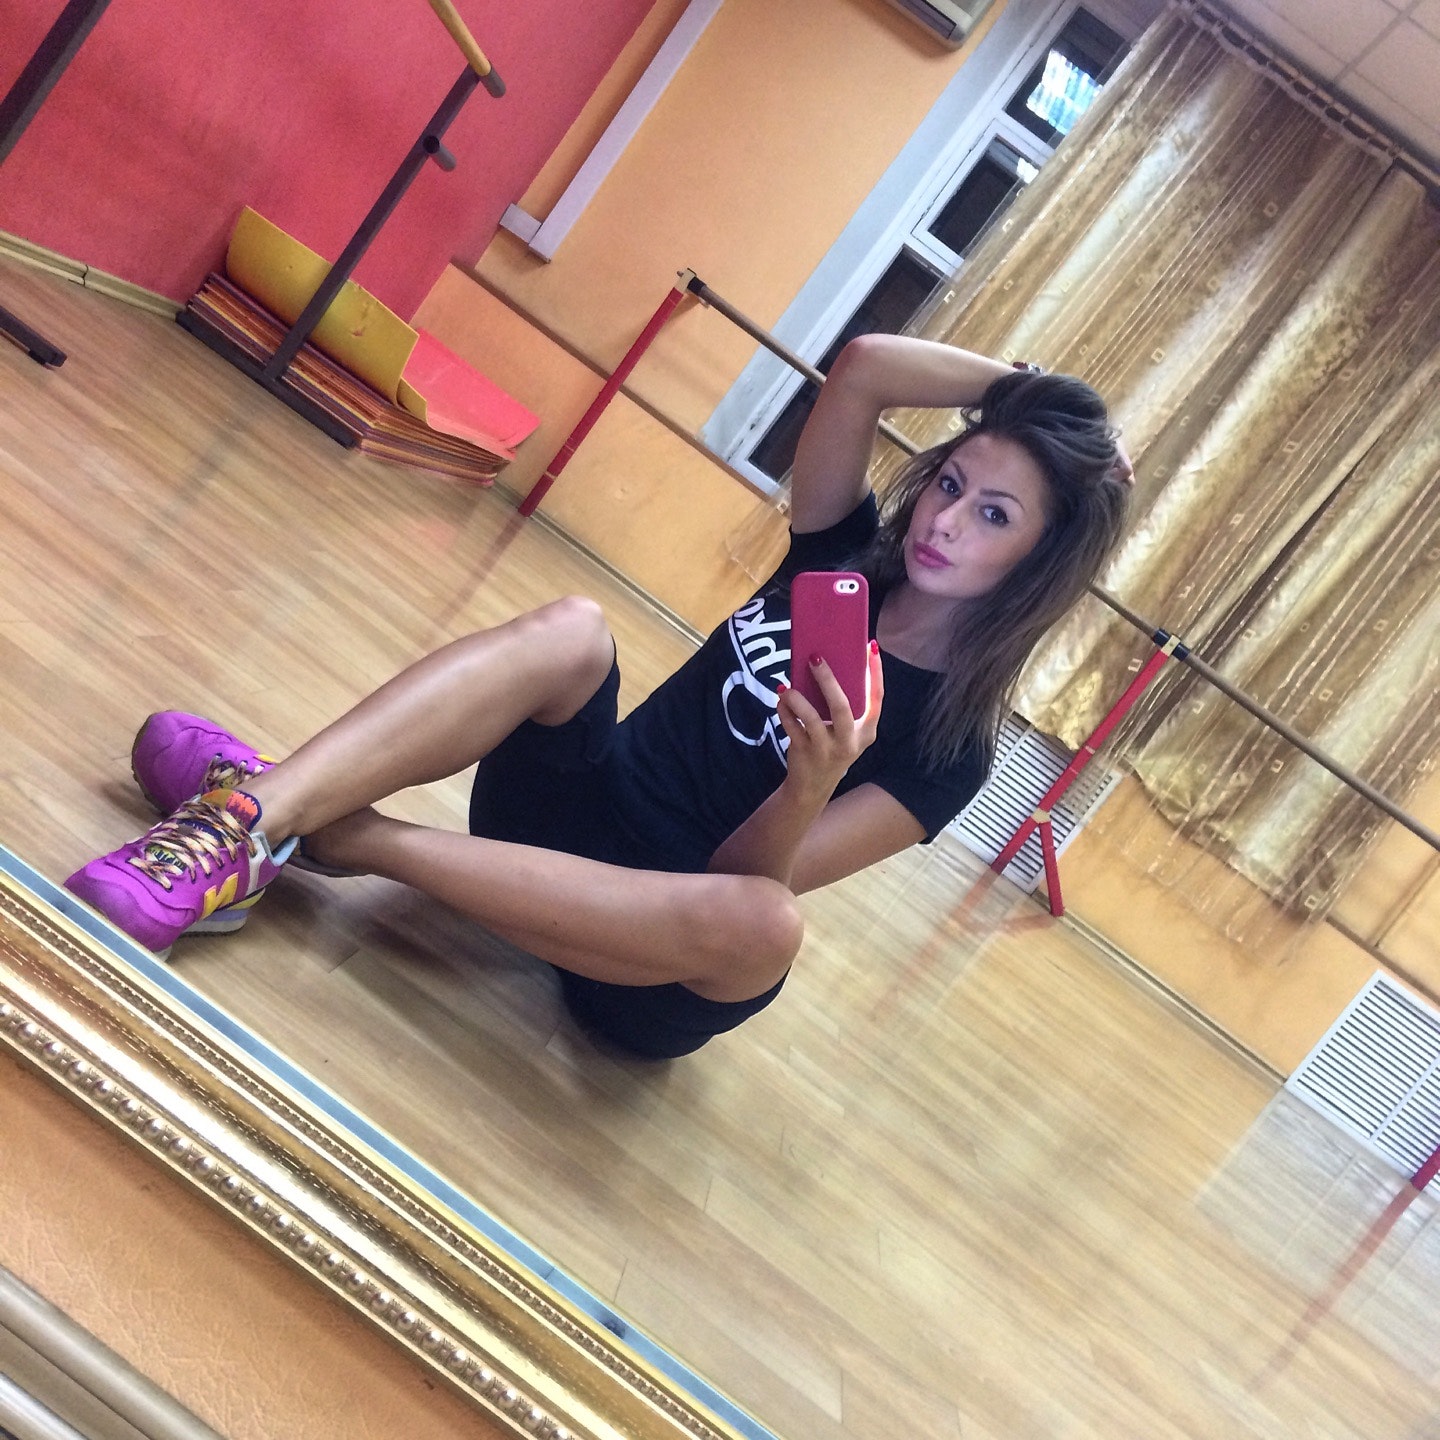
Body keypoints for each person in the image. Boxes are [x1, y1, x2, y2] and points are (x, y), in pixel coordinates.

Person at [65, 335, 1131, 1059]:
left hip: (640, 959)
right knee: (575, 630)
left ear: (1040, 558)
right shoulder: (840, 557)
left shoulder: (951, 749)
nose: (946, 523)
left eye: (996, 516)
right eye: (951, 484)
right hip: (563, 820)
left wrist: (810, 784)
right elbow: (861, 370)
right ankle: (245, 824)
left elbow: (736, 890)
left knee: (767, 927)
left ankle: (325, 827)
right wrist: (1037, 394)